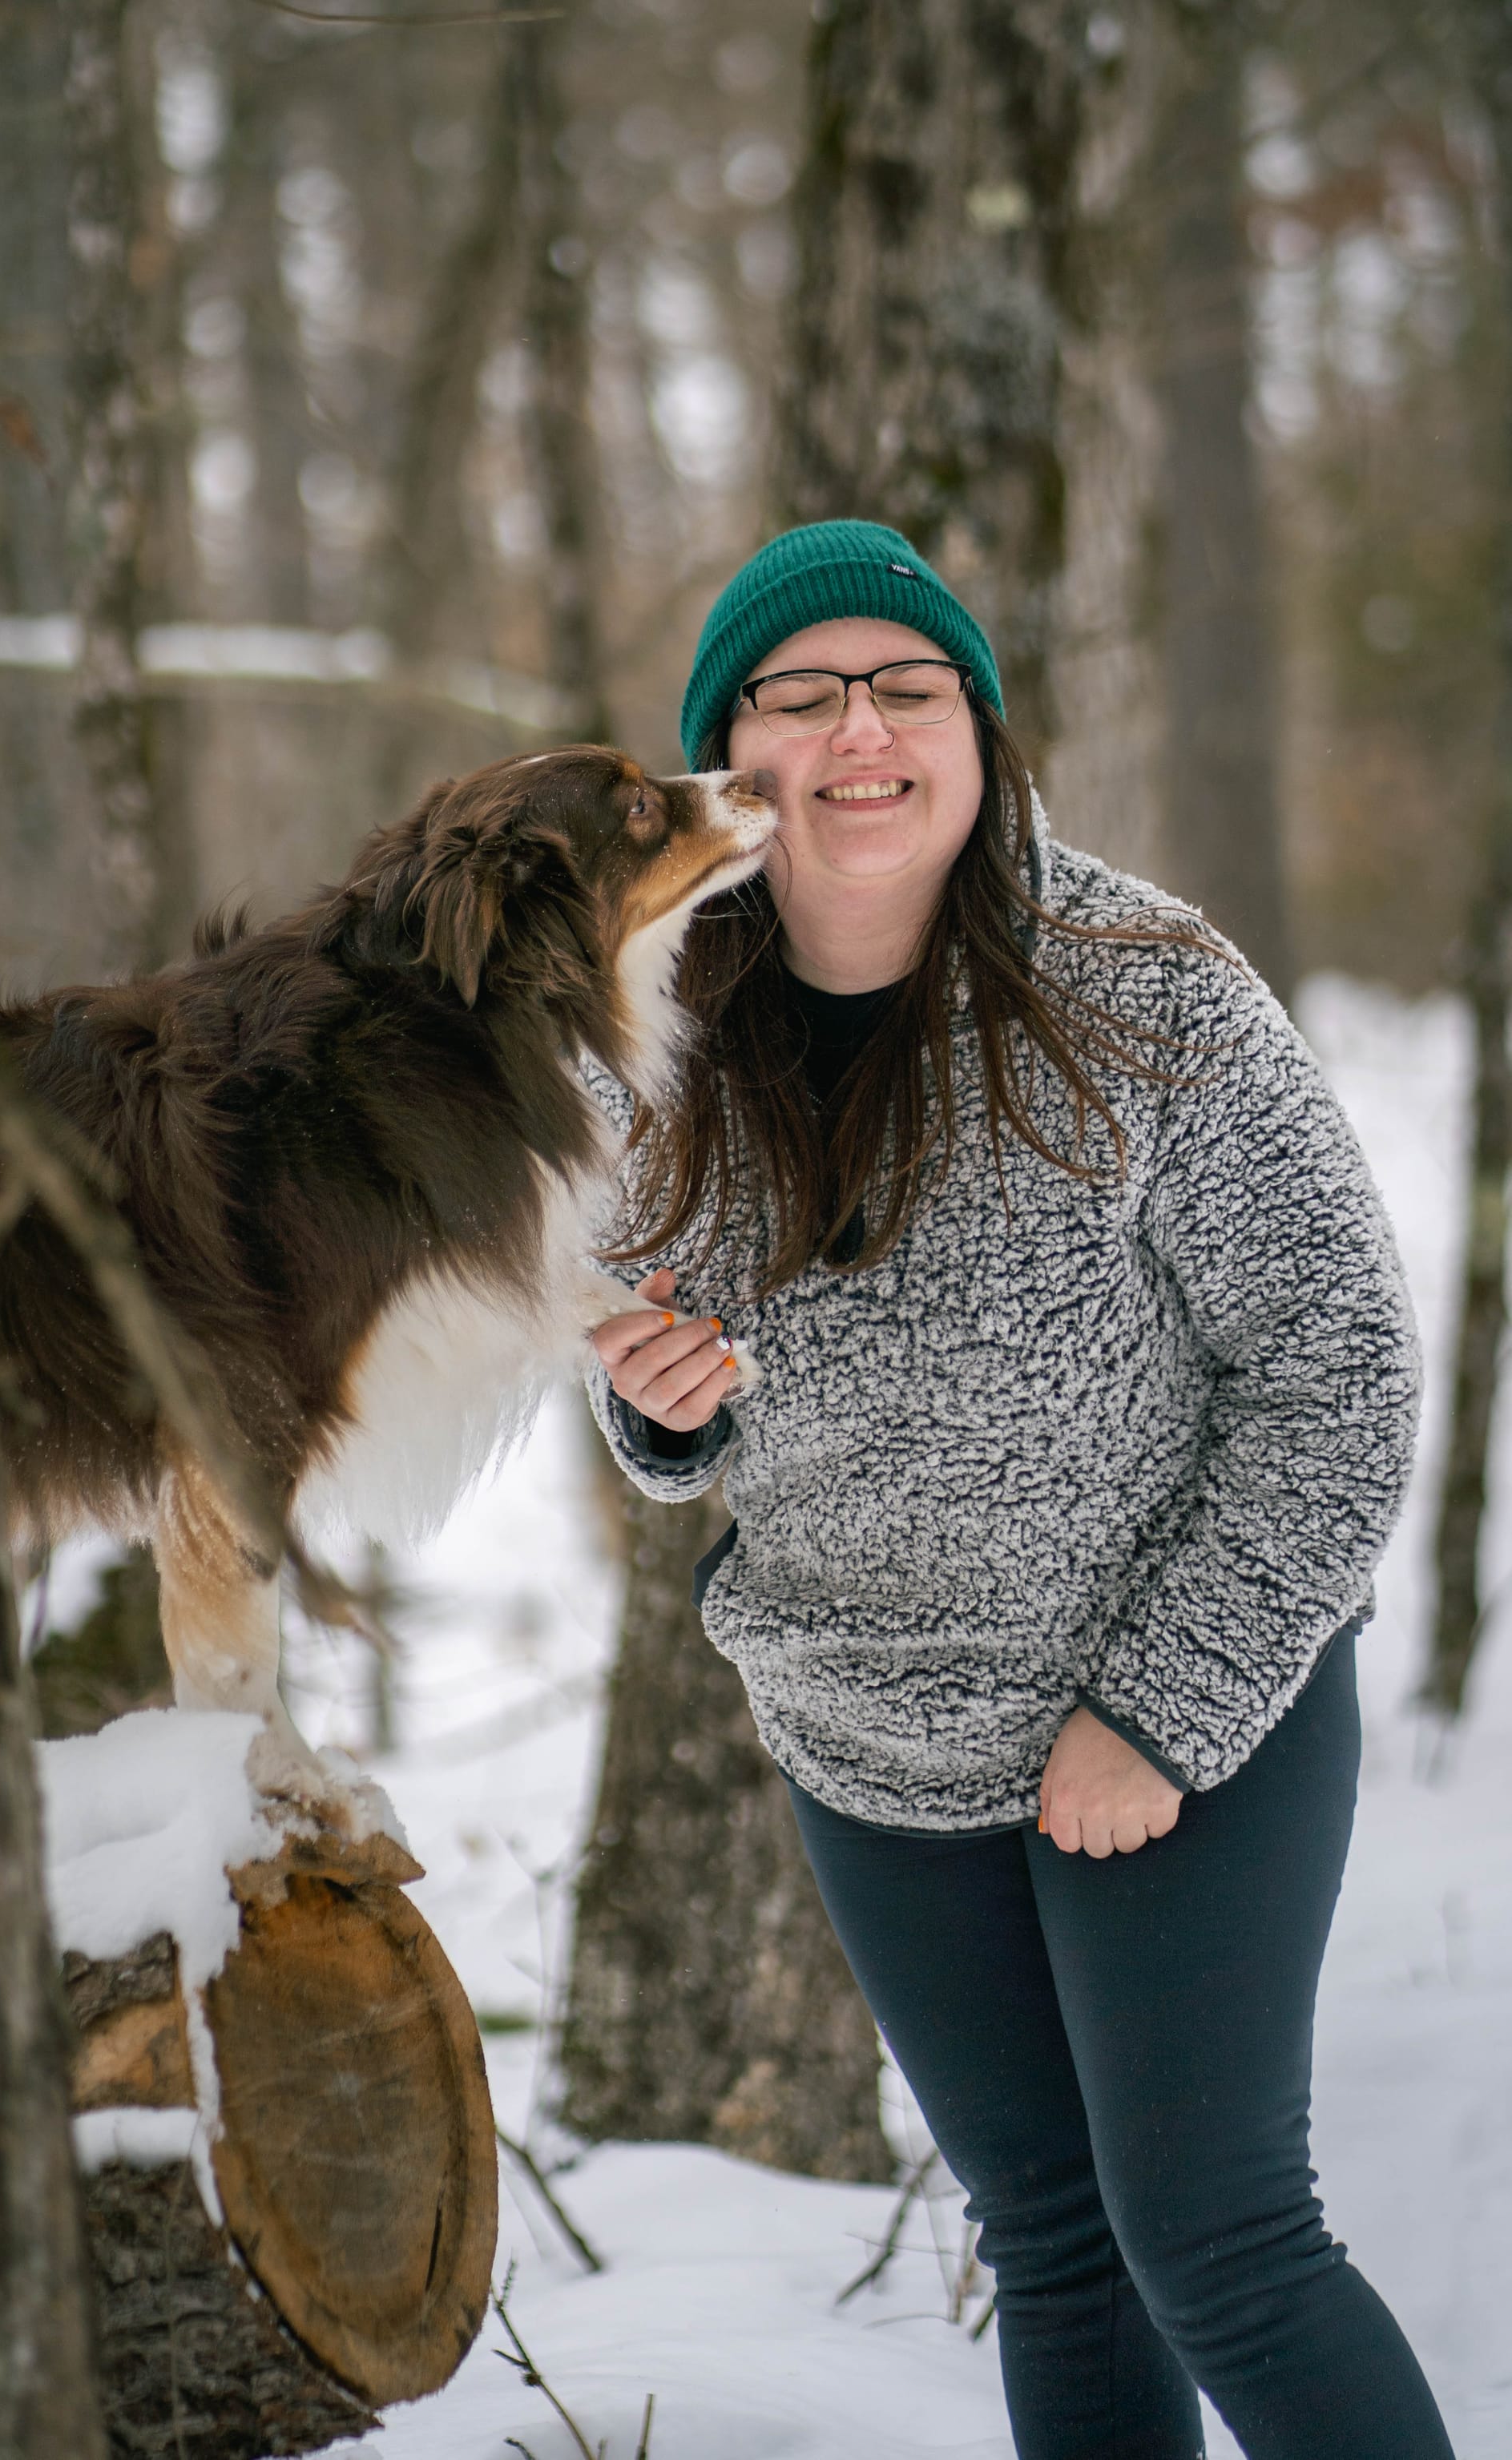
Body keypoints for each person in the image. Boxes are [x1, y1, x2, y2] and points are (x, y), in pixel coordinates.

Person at [586, 518, 1454, 2460]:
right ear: (734, 762)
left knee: (1218, 2240)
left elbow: (1338, 1376)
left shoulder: (1145, 988)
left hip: (1176, 1717)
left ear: (979, 735)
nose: (860, 732)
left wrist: (1156, 1708)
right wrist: (661, 1416)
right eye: (798, 699)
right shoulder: (653, 1036)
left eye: (906, 688)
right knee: (1056, 2246)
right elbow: (664, 1396)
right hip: (867, 1738)